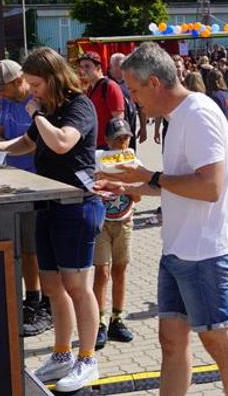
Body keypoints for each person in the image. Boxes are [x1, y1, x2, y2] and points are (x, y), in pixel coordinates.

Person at [94, 41, 228, 395]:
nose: (133, 100)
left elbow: (209, 186)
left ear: (154, 83)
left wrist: (149, 177)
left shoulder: (198, 114)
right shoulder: (178, 117)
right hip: (180, 248)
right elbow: (178, 184)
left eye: (134, 90)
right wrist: (128, 185)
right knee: (170, 339)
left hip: (204, 252)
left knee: (219, 342)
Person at [0, 47, 104, 391]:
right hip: (49, 203)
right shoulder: (49, 108)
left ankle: (87, 358)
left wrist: (38, 114)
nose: (32, 90)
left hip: (77, 204)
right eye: (29, 84)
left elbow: (60, 143)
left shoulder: (78, 106)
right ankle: (61, 355)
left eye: (36, 84)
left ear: (53, 78)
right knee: (54, 287)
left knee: (77, 287)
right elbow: (28, 142)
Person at [0, 59, 50, 337]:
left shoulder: (37, 101)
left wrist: (2, 146)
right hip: (13, 179)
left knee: (39, 247)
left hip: (38, 181)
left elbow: (33, 141)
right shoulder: (9, 101)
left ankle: (47, 304)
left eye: (2, 89)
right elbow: (2, 129)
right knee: (25, 247)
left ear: (17, 82)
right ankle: (32, 297)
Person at [93, 119, 140, 350]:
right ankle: (99, 321)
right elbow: (92, 187)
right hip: (102, 222)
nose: (123, 143)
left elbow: (138, 196)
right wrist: (101, 177)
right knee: (102, 271)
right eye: (118, 138)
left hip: (124, 221)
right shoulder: (98, 160)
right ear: (108, 140)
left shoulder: (133, 162)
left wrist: (123, 180)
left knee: (120, 269)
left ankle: (117, 318)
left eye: (126, 138)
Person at [78, 51, 126, 148]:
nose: (83, 70)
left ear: (98, 68)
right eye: (81, 67)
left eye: (87, 66)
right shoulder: (89, 89)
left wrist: (117, 147)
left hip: (108, 145)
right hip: (93, 144)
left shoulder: (110, 86)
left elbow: (119, 120)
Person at [111, 53, 150, 145]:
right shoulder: (106, 83)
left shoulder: (131, 83)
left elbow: (141, 106)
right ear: (111, 66)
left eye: (124, 65)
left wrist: (143, 128)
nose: (121, 68)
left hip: (129, 129)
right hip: (113, 132)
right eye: (118, 65)